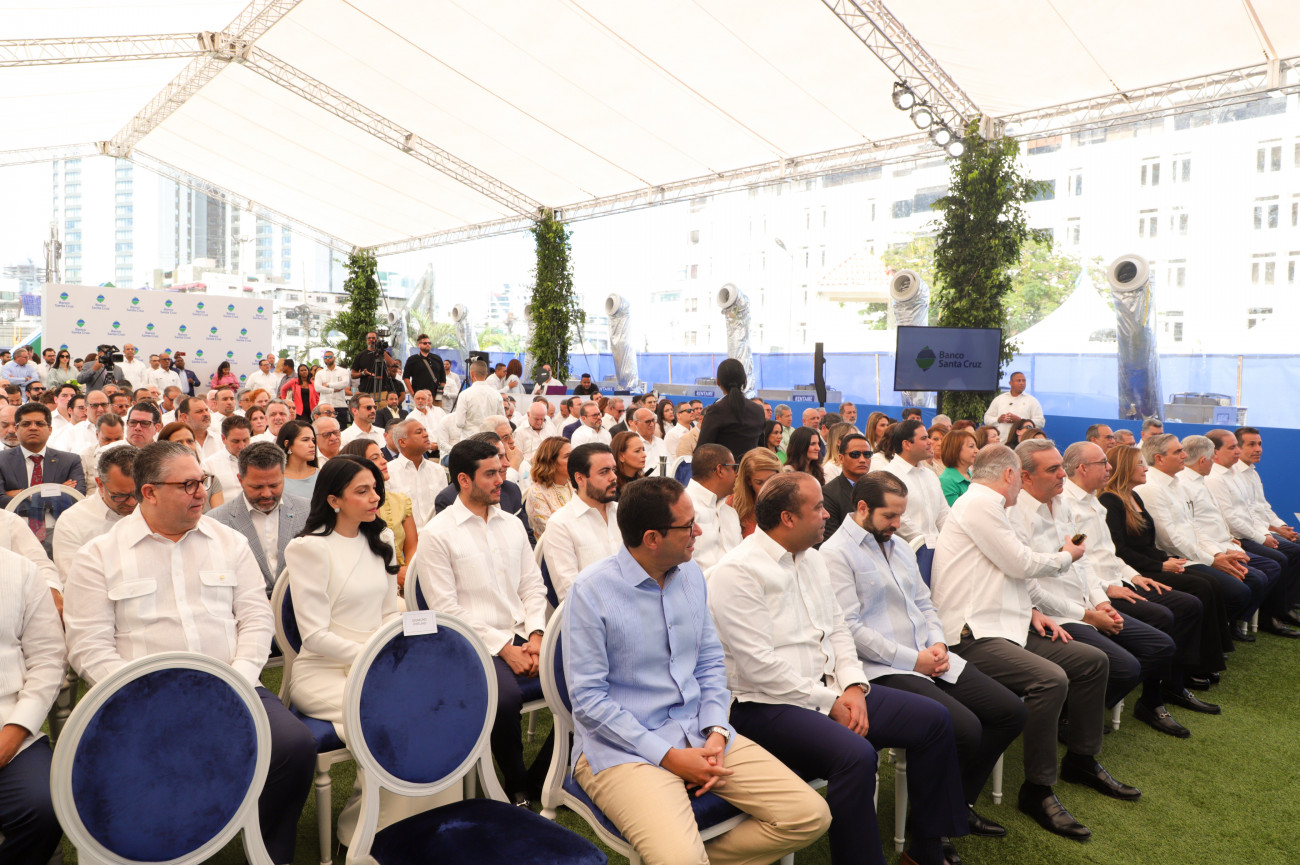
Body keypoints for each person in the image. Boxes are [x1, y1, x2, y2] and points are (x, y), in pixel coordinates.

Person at [62, 441, 316, 862]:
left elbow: (256, 619)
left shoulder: (229, 542)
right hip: (140, 701)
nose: (202, 492)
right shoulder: (100, 556)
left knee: (294, 746)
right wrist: (145, 696)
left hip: (234, 685)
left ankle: (268, 850)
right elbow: (88, 646)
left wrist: (238, 679)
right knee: (136, 768)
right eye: (188, 485)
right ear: (149, 492)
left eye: (203, 481)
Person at [564, 475, 831, 865]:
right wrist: (669, 756)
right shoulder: (591, 591)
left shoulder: (690, 574)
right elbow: (588, 702)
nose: (699, 532)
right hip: (622, 748)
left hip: (700, 731)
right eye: (688, 526)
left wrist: (717, 730)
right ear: (652, 538)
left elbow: (709, 663)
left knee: (809, 815)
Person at [709, 473, 966, 865]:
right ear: (788, 518)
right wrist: (830, 702)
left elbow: (839, 630)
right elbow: (758, 666)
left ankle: (925, 850)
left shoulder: (811, 558)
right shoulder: (738, 571)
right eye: (817, 508)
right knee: (855, 755)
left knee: (934, 719)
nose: (827, 514)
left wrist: (853, 686)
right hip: (765, 705)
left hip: (829, 690)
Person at [930, 444, 1131, 841]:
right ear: (1010, 475)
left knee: (1092, 662)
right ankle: (1038, 790)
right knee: (1050, 679)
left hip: (1005, 624)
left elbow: (1014, 575)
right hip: (971, 634)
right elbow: (1022, 563)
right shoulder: (981, 504)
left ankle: (1081, 759)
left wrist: (1035, 609)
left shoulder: (993, 506)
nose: (1061, 475)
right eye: (1053, 469)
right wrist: (1067, 556)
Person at [822, 471, 1025, 839]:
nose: (897, 524)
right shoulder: (835, 554)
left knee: (1010, 712)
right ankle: (931, 828)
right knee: (964, 728)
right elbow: (849, 630)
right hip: (882, 669)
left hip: (929, 656)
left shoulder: (899, 546)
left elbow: (924, 603)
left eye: (901, 515)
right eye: (890, 516)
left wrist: (939, 645)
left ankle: (957, 805)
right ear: (862, 507)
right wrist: (915, 660)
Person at [1013, 439, 1190, 737]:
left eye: (1061, 467)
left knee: (1160, 645)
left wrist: (1100, 602)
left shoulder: (1063, 504)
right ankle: (1069, 719)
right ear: (1025, 477)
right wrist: (1089, 613)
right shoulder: (1016, 514)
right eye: (1054, 469)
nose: (1063, 474)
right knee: (1125, 666)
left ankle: (1077, 714)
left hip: (1085, 602)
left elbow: (1082, 559)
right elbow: (1028, 588)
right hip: (1054, 615)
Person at [416, 439, 549, 805]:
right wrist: (505, 648)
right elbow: (445, 609)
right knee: (503, 698)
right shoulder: (437, 533)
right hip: (469, 644)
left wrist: (537, 635)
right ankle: (516, 783)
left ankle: (543, 777)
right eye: (490, 474)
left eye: (501, 471)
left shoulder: (512, 524)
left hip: (523, 633)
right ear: (464, 479)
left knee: (583, 677)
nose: (500, 480)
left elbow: (532, 586)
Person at [1063, 440, 1223, 698]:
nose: (1109, 467)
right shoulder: (1071, 505)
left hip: (1118, 580)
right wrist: (1106, 589)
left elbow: (1110, 553)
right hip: (1097, 590)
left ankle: (1174, 683)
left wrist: (1134, 576)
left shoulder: (1095, 502)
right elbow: (1078, 561)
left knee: (1189, 604)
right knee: (1164, 616)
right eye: (1103, 463)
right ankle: (1154, 696)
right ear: (1083, 468)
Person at [284, 455, 402, 740]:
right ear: (334, 500)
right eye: (362, 491)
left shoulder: (382, 539)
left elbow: (389, 613)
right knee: (393, 708)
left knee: (432, 696)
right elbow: (314, 636)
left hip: (376, 663)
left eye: (374, 488)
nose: (375, 497)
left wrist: (388, 657)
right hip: (323, 672)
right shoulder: (309, 548)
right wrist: (372, 655)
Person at [1137, 434, 1276, 639]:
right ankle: (1213, 637)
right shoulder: (1151, 488)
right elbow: (1170, 539)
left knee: (1247, 581)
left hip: (1196, 553)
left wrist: (1217, 554)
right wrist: (1212, 559)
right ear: (1159, 458)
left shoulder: (1176, 483)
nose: (1185, 455)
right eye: (1178, 451)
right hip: (1177, 558)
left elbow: (1193, 527)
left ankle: (1215, 635)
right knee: (1238, 589)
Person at [0, 542, 64, 865]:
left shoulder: (20, 570)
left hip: (8, 724)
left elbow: (48, 659)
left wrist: (14, 733)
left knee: (46, 805)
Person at [1201, 430, 1298, 636]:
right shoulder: (1215, 478)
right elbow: (1230, 519)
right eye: (1234, 447)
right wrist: (1263, 536)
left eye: (1259, 444)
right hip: (1236, 537)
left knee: (1290, 550)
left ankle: (1283, 606)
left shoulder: (1240, 473)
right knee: (1281, 558)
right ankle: (1269, 615)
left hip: (1243, 534)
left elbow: (1256, 509)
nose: (1258, 449)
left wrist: (1277, 528)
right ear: (1214, 452)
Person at [208, 441, 310, 595]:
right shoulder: (217, 522)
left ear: (283, 477)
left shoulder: (307, 511)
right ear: (240, 480)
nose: (267, 494)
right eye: (257, 487)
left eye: (274, 485)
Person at [538, 442, 620, 602]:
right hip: (593, 612)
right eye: (604, 472)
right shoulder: (560, 524)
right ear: (580, 478)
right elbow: (570, 594)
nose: (613, 477)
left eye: (614, 470)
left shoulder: (623, 512)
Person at [0, 402, 86, 517]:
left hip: (58, 525)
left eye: (39, 424)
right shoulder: (2, 460)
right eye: (26, 424)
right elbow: (1, 501)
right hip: (14, 524)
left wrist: (23, 494)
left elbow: (75, 499)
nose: (33, 428)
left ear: (50, 430)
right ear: (16, 429)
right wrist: (56, 491)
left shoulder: (70, 461)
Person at [883, 419, 949, 549]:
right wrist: (927, 544)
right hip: (907, 551)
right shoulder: (888, 476)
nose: (930, 442)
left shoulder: (930, 475)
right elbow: (900, 521)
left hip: (938, 549)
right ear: (907, 444)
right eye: (924, 438)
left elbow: (944, 514)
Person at [682, 444, 744, 572]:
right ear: (720, 470)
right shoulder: (682, 507)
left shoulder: (730, 511)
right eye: (734, 468)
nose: (737, 475)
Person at [697, 358, 765, 459]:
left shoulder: (716, 411)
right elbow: (762, 448)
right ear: (744, 381)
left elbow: (701, 450)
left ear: (718, 382)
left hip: (723, 467)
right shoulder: (758, 410)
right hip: (751, 466)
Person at [384, 418, 447, 526]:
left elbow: (444, 509)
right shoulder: (388, 473)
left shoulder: (438, 470)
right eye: (419, 432)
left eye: (425, 430)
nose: (426, 435)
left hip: (436, 533)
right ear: (402, 442)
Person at [821, 431, 873, 542]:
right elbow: (830, 539)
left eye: (867, 454)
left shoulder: (878, 488)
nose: (862, 460)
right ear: (841, 458)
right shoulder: (829, 493)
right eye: (855, 454)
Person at [524, 437, 572, 538]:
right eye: (567, 456)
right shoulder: (537, 493)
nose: (574, 460)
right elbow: (552, 531)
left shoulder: (575, 484)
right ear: (551, 462)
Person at [731, 448, 782, 539]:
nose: (767, 488)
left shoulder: (790, 503)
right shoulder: (733, 505)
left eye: (771, 480)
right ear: (748, 481)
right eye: (759, 482)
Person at [200, 414, 252, 501]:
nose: (242, 446)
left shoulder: (260, 461)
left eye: (245, 440)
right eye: (236, 441)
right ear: (223, 438)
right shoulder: (209, 465)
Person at [450, 360, 504, 442]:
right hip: (490, 440)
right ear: (486, 374)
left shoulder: (464, 394)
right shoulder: (497, 395)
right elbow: (502, 420)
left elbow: (459, 423)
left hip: (470, 440)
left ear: (471, 374)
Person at [983, 371, 1044, 441]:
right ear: (1010, 383)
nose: (1022, 383)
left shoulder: (1032, 401)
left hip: (1023, 443)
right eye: (1018, 380)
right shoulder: (999, 399)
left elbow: (1040, 422)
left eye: (1024, 381)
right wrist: (998, 420)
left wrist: (1021, 421)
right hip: (1002, 442)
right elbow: (987, 418)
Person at [276, 419, 320, 501]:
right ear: (287, 444)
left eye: (313, 440)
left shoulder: (321, 475)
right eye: (305, 440)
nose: (312, 445)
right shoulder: (275, 478)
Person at [349, 331, 395, 401]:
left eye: (373, 338)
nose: (371, 340)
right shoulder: (360, 356)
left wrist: (381, 350)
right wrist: (363, 373)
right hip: (365, 391)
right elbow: (353, 375)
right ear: (366, 341)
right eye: (369, 338)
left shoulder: (384, 354)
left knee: (382, 408)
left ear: (377, 340)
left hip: (382, 390)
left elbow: (392, 364)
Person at [939, 428, 978, 506]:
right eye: (971, 446)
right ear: (955, 449)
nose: (977, 450)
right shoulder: (946, 480)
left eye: (976, 446)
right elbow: (955, 510)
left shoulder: (971, 474)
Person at [402, 333, 445, 403]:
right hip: (419, 396)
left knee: (437, 410)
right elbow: (406, 377)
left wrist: (440, 392)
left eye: (429, 343)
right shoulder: (412, 359)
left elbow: (443, 378)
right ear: (419, 345)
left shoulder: (437, 358)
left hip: (435, 396)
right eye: (425, 343)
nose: (428, 345)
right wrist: (412, 393)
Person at [314, 349, 352, 428]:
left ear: (334, 358)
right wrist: (333, 390)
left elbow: (344, 383)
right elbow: (317, 388)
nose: (327, 359)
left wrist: (328, 385)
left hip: (340, 405)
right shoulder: (320, 373)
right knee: (324, 428)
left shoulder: (343, 371)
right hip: (324, 405)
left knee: (341, 429)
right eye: (325, 357)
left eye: (330, 357)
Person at [177, 395, 221, 460]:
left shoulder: (220, 439)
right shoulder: (178, 444)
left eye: (206, 410)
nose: (206, 414)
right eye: (199, 411)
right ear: (185, 417)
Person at [610, 430, 646, 494]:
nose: (644, 455)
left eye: (643, 450)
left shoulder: (644, 483)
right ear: (621, 456)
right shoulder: (612, 487)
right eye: (637, 451)